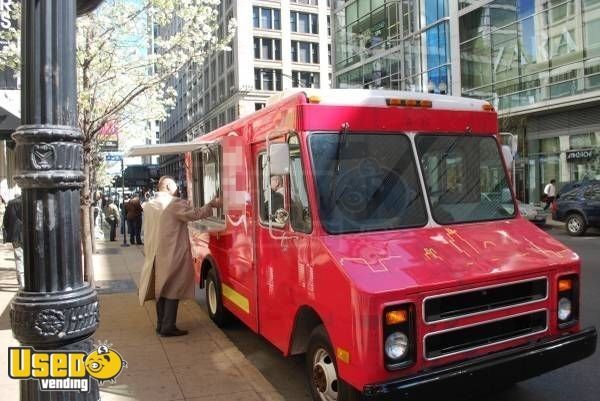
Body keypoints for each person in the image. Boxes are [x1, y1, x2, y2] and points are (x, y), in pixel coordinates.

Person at [138, 176, 220, 337]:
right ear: (168, 187)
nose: (177, 190)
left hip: (155, 254)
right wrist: (211, 204)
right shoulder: (171, 204)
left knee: (159, 290)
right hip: (172, 253)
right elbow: (196, 214)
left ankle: (161, 324)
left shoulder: (149, 205)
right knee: (172, 288)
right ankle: (168, 326)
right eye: (175, 187)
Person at [3, 195, 23, 288]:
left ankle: (22, 283)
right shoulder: (30, 201)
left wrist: (9, 232)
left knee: (19, 258)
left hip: (16, 235)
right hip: (29, 235)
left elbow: (6, 220)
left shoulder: (11, 203)